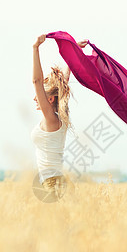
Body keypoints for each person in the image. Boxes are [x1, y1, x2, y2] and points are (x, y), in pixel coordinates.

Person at [30, 34, 88, 201]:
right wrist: (73, 51)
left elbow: (36, 81)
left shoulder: (51, 119)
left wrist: (35, 48)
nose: (35, 97)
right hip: (54, 180)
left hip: (52, 182)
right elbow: (63, 81)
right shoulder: (56, 118)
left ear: (50, 99)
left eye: (39, 95)